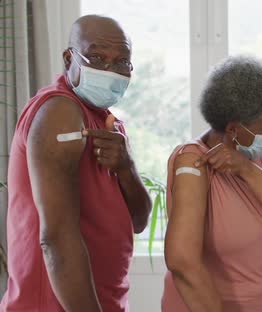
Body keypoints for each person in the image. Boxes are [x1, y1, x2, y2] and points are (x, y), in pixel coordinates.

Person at [0, 15, 152, 311]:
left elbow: (139, 220)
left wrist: (126, 167)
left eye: (122, 61)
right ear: (69, 59)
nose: (110, 70)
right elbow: (55, 239)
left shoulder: (111, 124)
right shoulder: (59, 112)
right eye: (96, 57)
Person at [161, 55, 262, 312]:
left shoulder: (260, 157)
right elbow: (182, 262)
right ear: (233, 129)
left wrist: (246, 169)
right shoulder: (193, 160)